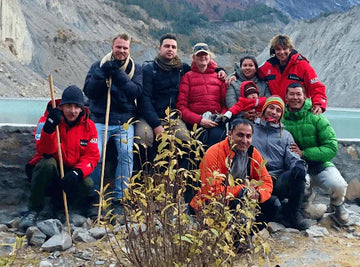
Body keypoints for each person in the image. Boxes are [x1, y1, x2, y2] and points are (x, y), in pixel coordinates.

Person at [19, 86, 100, 230]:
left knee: (87, 183)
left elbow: (91, 156)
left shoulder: (89, 127)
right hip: (49, 173)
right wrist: (49, 130)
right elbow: (44, 151)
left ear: (82, 109)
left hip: (70, 173)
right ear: (62, 106)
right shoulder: (47, 120)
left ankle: (65, 209)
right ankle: (34, 210)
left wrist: (77, 172)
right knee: (47, 164)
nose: (73, 111)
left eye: (77, 107)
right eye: (69, 106)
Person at [136, 34, 226, 156]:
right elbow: (144, 100)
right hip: (149, 116)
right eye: (167, 46)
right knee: (143, 138)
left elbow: (203, 67)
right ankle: (144, 171)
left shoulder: (181, 68)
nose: (170, 49)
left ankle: (179, 172)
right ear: (159, 48)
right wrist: (156, 124)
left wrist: (220, 70)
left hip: (172, 116)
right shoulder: (149, 69)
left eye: (173, 47)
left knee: (184, 140)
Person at [83, 33, 142, 204]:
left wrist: (117, 74)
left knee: (125, 154)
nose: (121, 51)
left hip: (123, 121)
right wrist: (101, 75)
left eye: (125, 48)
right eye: (118, 47)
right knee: (95, 153)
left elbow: (135, 92)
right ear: (112, 47)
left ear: (129, 49)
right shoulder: (98, 66)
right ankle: (94, 195)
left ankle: (120, 197)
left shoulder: (134, 69)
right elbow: (89, 92)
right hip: (101, 119)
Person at [282, 83, 349, 226]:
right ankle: (303, 209)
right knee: (299, 183)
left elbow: (331, 147)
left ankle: (337, 206)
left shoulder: (316, 117)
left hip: (320, 165)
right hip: (297, 166)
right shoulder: (281, 119)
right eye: (291, 94)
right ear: (286, 97)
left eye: (298, 94)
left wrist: (304, 153)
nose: (295, 97)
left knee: (338, 185)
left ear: (305, 97)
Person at [189, 119, 276, 224]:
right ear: (230, 134)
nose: (244, 140)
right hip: (212, 204)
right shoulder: (214, 153)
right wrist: (243, 189)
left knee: (273, 204)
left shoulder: (252, 152)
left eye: (248, 136)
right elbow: (211, 191)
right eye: (240, 135)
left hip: (242, 198)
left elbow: (266, 181)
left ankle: (248, 234)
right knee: (237, 202)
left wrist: (258, 193)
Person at [251, 96, 309, 230]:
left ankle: (292, 216)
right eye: (271, 108)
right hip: (256, 180)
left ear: (281, 115)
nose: (273, 112)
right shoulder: (251, 130)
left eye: (278, 110)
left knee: (298, 175)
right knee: (268, 211)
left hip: (277, 179)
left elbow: (293, 156)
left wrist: (299, 164)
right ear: (264, 109)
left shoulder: (286, 135)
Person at [258, 34, 327, 115]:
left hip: (298, 114)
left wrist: (318, 104)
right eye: (278, 49)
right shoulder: (268, 67)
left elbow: (316, 87)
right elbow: (254, 78)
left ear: (290, 49)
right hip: (277, 114)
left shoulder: (303, 66)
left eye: (285, 48)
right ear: (274, 51)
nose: (282, 52)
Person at [176, 43, 227, 148]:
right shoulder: (187, 77)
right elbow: (181, 106)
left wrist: (221, 117)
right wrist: (199, 120)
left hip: (216, 122)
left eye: (205, 54)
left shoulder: (219, 77)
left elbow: (225, 103)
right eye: (199, 55)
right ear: (194, 58)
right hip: (195, 122)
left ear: (210, 57)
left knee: (218, 142)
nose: (203, 57)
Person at [226, 55, 271, 120]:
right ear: (241, 68)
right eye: (244, 65)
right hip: (240, 120)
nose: (247, 68)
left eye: (251, 65)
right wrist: (243, 114)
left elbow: (269, 101)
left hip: (261, 120)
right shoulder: (233, 84)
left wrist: (262, 113)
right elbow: (231, 104)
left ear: (256, 69)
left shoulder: (264, 85)